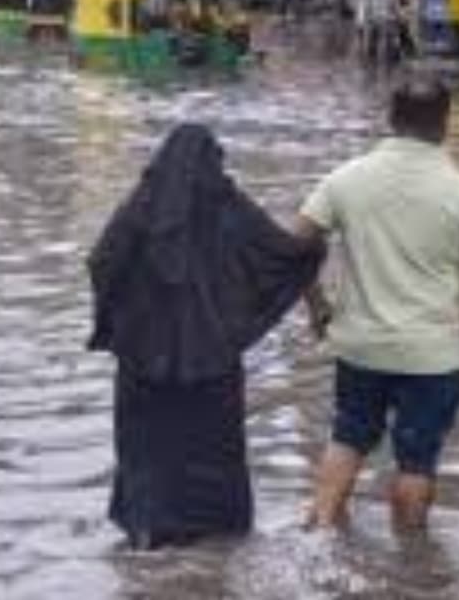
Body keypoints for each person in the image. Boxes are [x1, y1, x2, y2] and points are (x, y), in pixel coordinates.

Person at [295, 74, 459, 532]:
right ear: (445, 124)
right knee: (416, 459)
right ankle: (411, 563)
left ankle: (320, 531)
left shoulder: (345, 179)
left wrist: (318, 305)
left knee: (348, 437)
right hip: (431, 356)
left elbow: (296, 244)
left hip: (360, 347)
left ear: (391, 118)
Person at [87, 124, 324, 549]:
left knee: (148, 450)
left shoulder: (139, 208)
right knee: (212, 451)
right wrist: (312, 255)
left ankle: (148, 533)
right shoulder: (228, 207)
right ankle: (217, 542)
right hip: (212, 358)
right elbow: (277, 253)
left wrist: (126, 322)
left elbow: (102, 262)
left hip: (144, 360)